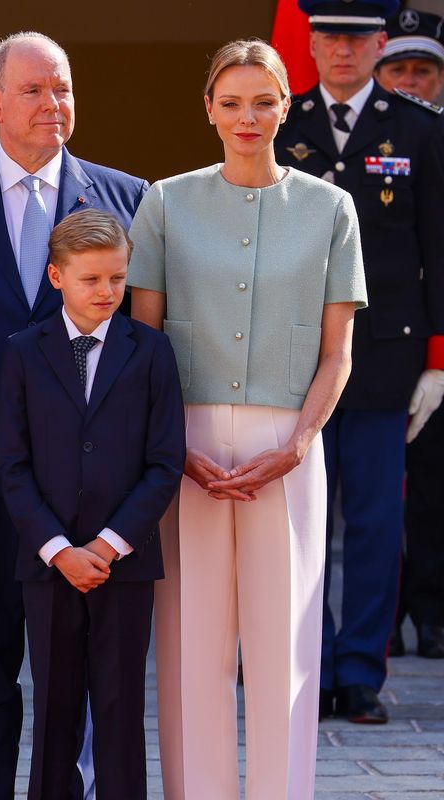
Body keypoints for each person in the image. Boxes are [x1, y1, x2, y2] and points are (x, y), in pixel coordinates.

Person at [0, 31, 147, 800]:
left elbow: (141, 351)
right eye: (36, 90)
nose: (54, 104)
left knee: (73, 672)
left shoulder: (127, 197)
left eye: (64, 88)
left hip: (86, 490)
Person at [130, 39, 365, 799]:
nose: (247, 116)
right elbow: (144, 343)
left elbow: (337, 355)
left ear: (286, 105)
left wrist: (298, 444)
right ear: (208, 110)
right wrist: (171, 448)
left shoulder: (333, 208)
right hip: (185, 442)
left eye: (263, 100)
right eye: (230, 102)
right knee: (192, 642)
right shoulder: (165, 201)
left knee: (285, 648)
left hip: (288, 446)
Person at [275, 0, 444, 724]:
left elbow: (438, 248)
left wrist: (438, 359)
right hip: (293, 358)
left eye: (355, 38)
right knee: (298, 518)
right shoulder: (280, 125)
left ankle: (359, 673)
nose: (341, 52)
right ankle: (304, 662)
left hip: (385, 361)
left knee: (374, 522)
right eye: (327, 38)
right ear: (309, 45)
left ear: (380, 42)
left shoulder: (418, 131)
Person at [0, 210, 184, 800]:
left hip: (123, 563)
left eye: (117, 280)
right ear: (56, 277)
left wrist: (105, 546)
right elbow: (12, 465)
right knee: (54, 705)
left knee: (121, 705)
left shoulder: (151, 351)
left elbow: (164, 463)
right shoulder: (23, 352)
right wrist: (58, 549)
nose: (107, 293)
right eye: (91, 280)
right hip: (47, 566)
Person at [374, 7, 444, 660]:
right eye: (400, 68)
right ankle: (386, 617)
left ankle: (434, 610)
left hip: (436, 342)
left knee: (434, 487)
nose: (412, 81)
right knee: (376, 492)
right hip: (386, 340)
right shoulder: (362, 139)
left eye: (424, 70)